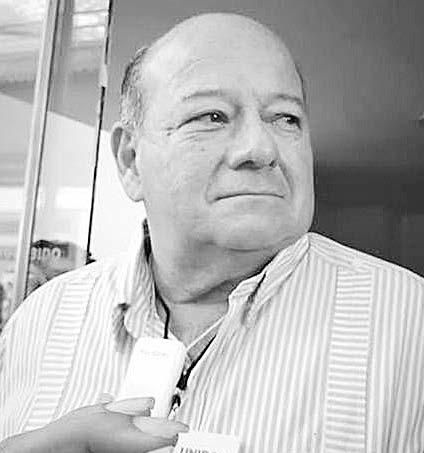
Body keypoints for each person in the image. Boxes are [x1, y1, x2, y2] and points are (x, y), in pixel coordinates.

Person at [1, 12, 423, 453]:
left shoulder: (407, 324)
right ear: (130, 160)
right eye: (212, 116)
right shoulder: (41, 321)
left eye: (286, 118)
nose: (261, 149)